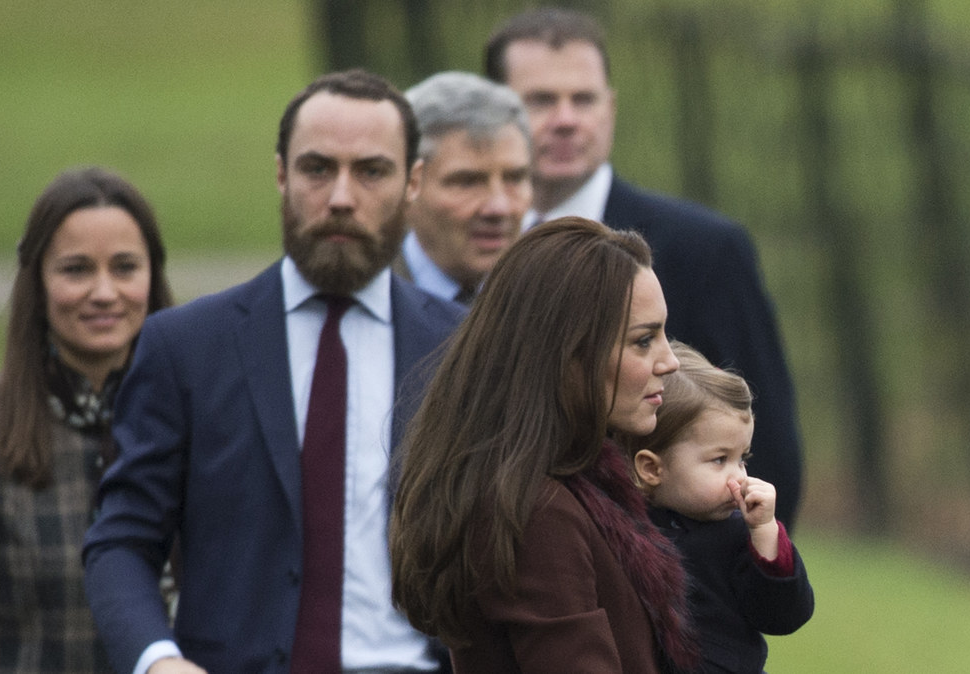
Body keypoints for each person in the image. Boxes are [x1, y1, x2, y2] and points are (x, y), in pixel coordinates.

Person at [82, 69, 463, 674]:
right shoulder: (186, 347)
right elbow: (120, 542)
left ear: (413, 182)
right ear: (281, 174)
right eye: (317, 168)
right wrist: (158, 661)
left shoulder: (461, 347)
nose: (341, 196)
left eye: (371, 170)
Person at [484, 6, 805, 529]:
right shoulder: (474, 245)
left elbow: (765, 451)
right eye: (540, 100)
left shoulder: (704, 251)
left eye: (583, 99)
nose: (566, 118)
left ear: (610, 108)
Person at [0, 166, 175, 673]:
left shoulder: (198, 422)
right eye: (76, 269)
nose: (104, 292)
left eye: (125, 267)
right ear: (38, 282)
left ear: (153, 277)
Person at [390, 217, 698, 673]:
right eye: (643, 341)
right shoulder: (537, 513)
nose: (670, 362)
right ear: (569, 354)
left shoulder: (560, 493)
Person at [620, 341, 814, 673]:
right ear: (652, 469)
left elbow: (783, 616)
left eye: (743, 459)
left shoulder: (739, 534)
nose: (739, 477)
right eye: (719, 459)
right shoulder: (619, 525)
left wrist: (766, 536)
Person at [393, 70, 532, 304]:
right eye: (467, 182)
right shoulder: (363, 297)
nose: (498, 207)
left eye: (514, 179)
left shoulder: (560, 299)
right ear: (408, 186)